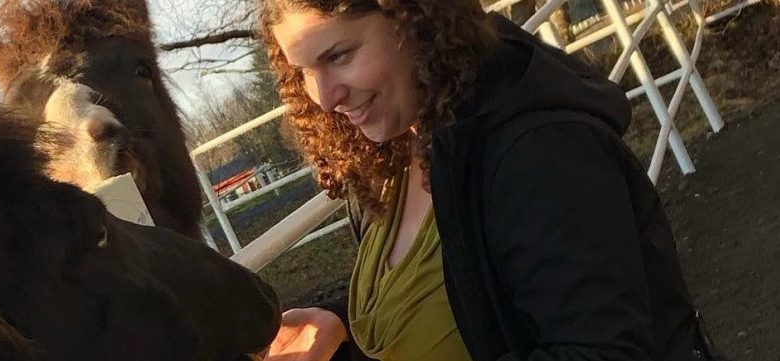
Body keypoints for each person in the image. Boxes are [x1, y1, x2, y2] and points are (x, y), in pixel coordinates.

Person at [256, 0, 721, 360]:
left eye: (338, 55)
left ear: (411, 17)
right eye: (303, 71)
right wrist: (343, 326)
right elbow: (467, 289)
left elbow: (600, 349)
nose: (324, 97)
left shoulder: (540, 150)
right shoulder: (397, 153)